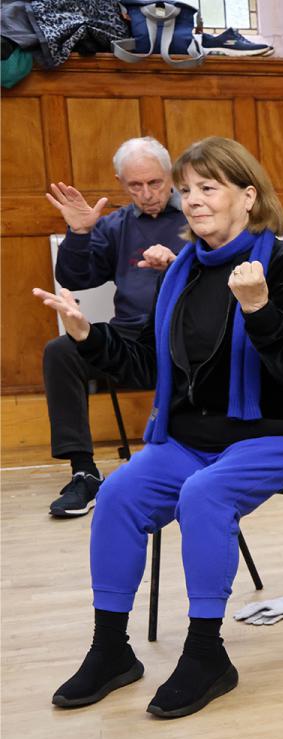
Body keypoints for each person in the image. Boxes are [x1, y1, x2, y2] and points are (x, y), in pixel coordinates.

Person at [35, 136, 283, 719]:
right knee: (117, 493)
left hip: (281, 432)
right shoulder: (183, 271)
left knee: (205, 494)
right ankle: (111, 649)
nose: (192, 200)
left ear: (248, 197)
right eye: (187, 189)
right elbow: (149, 363)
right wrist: (86, 335)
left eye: (208, 188)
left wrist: (259, 309)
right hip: (195, 437)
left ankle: (205, 653)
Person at [44, 136, 187, 518]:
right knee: (61, 350)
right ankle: (83, 472)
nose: (146, 193)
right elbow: (77, 276)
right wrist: (78, 234)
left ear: (170, 176)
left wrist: (178, 266)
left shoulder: (198, 213)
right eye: (134, 186)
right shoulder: (118, 224)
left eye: (154, 183)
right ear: (121, 183)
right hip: (131, 337)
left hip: (186, 334)